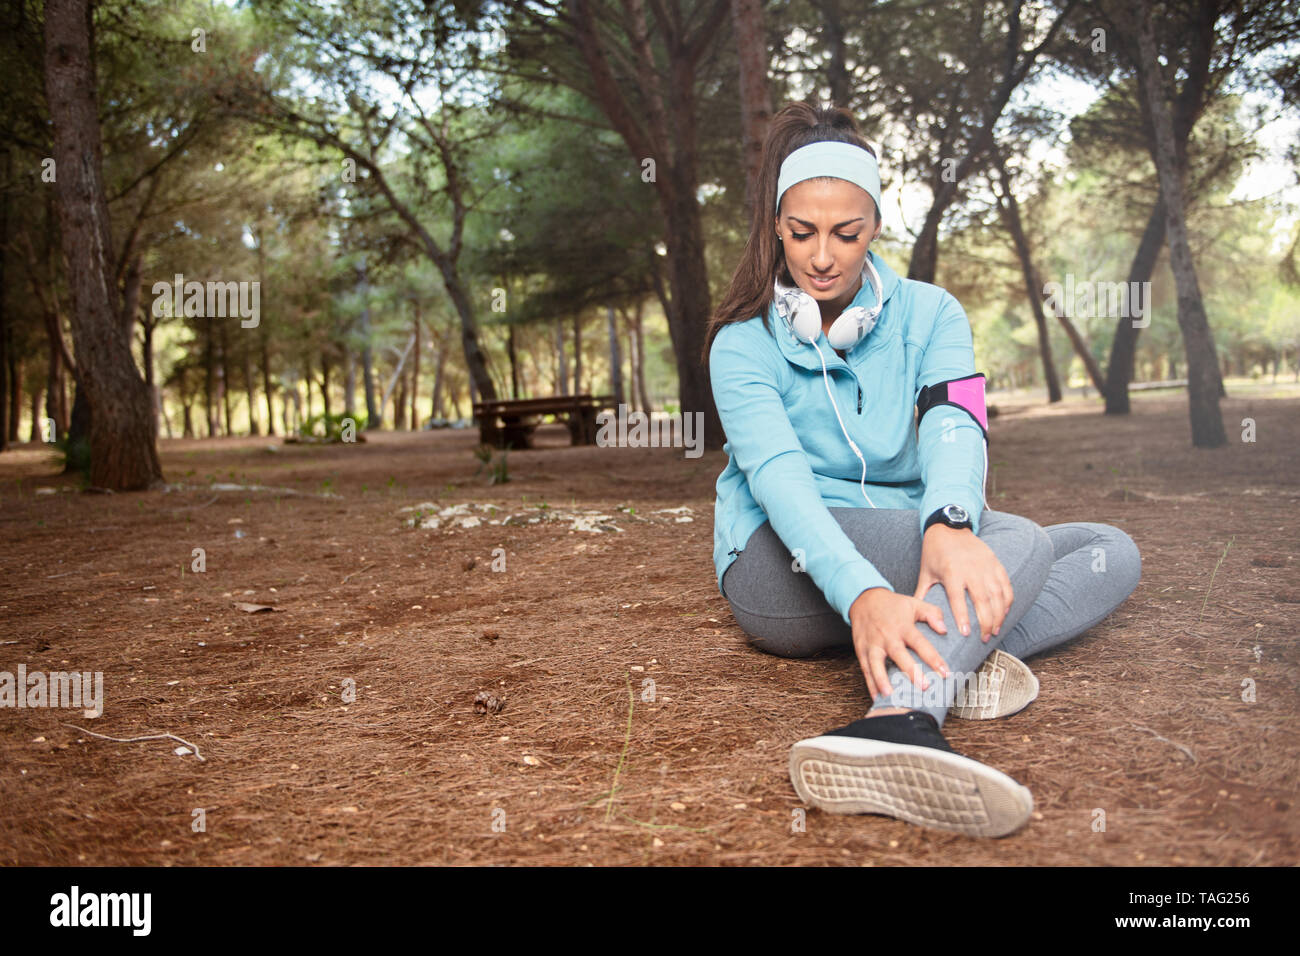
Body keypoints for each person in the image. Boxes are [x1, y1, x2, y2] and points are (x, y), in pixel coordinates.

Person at [702, 102, 1141, 838]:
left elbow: (954, 420)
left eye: (846, 233)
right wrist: (867, 593)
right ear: (777, 226)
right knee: (1023, 545)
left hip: (905, 535)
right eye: (802, 232)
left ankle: (933, 663)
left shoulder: (933, 313)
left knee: (1109, 548)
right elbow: (780, 482)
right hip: (779, 559)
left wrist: (949, 521)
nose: (821, 256)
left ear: (875, 226)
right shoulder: (739, 343)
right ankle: (898, 719)